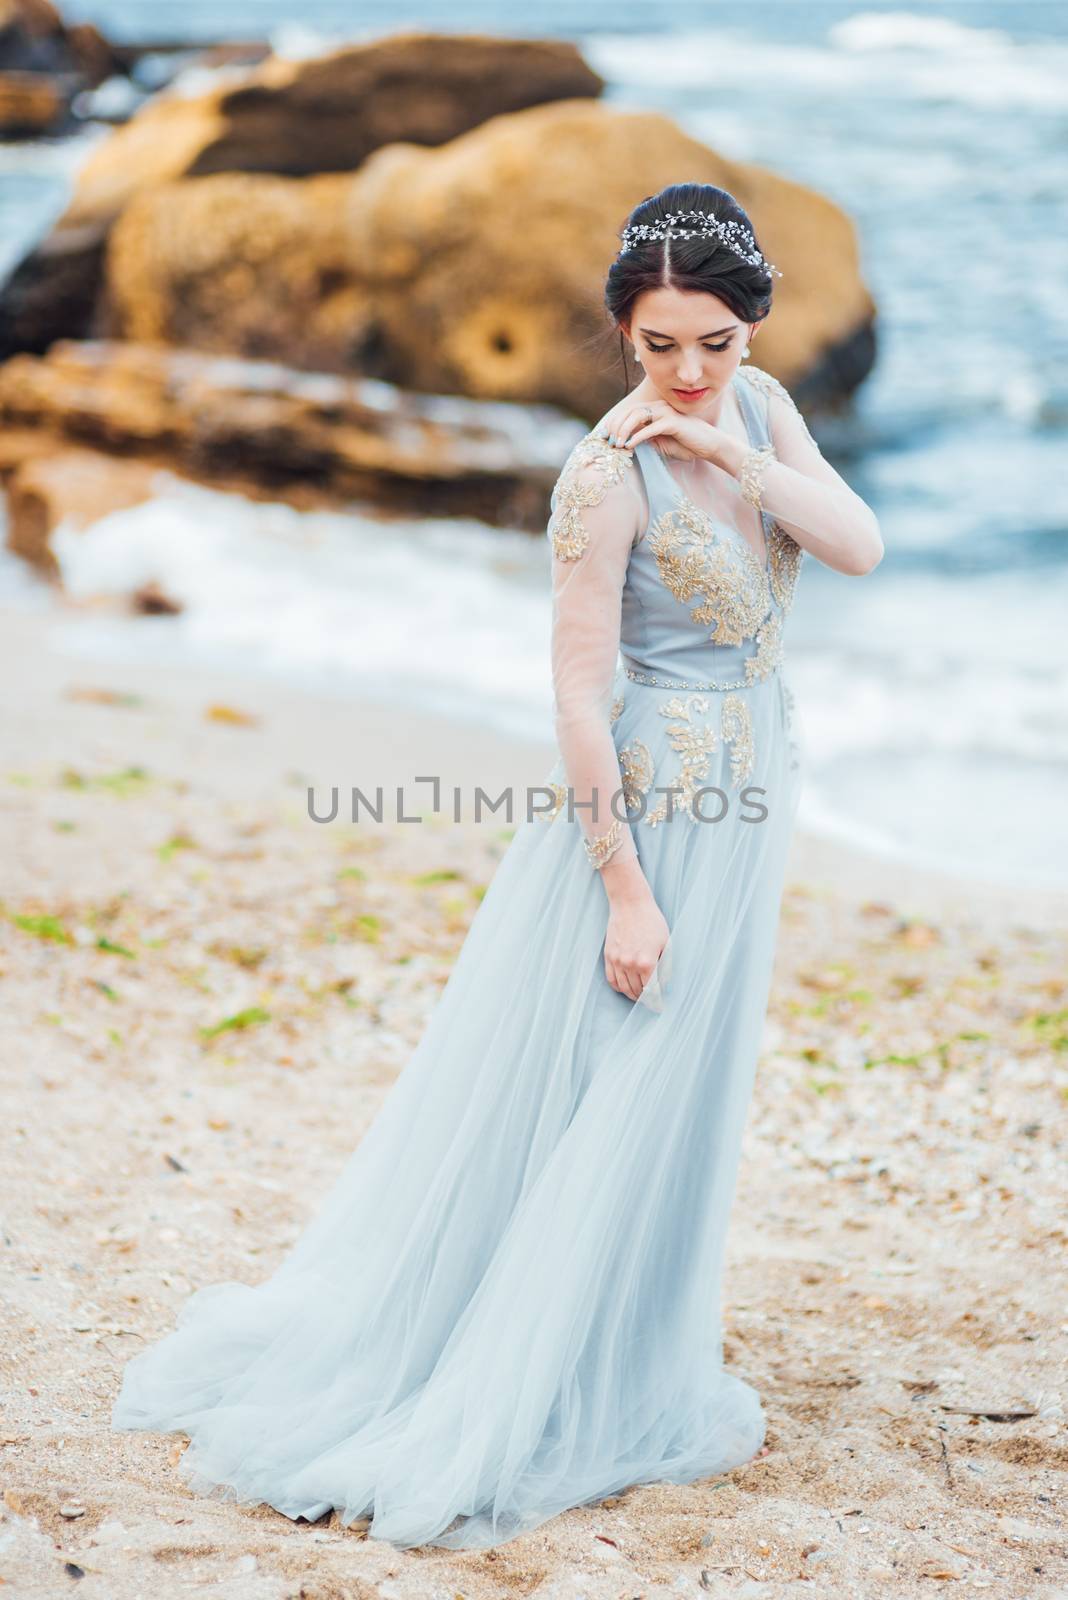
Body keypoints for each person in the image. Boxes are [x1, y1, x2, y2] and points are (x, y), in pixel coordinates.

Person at [110, 181, 883, 1551]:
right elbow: (581, 702)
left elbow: (858, 544)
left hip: (754, 785)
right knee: (607, 1078)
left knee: (683, 1092)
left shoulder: (757, 416)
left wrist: (740, 456)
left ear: (752, 330)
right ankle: (508, 1373)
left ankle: (628, 1359)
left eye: (714, 340)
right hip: (646, 811)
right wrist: (627, 890)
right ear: (621, 337)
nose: (689, 372)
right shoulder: (602, 477)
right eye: (660, 349)